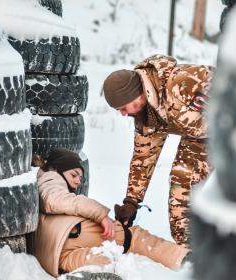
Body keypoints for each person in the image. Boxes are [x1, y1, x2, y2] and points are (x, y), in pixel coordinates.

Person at [103, 54, 213, 247]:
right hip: (200, 138)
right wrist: (131, 201)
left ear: (135, 94)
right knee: (181, 192)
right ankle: (190, 254)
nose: (122, 114)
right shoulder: (147, 117)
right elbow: (143, 159)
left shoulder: (184, 83)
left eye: (122, 107)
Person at [31, 148, 189, 277]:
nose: (79, 181)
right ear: (56, 169)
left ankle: (93, 271)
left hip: (59, 257)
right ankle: (185, 259)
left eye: (80, 177)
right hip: (69, 236)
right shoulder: (50, 179)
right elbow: (56, 199)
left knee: (101, 262)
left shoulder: (46, 183)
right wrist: (102, 216)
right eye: (74, 174)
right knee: (134, 237)